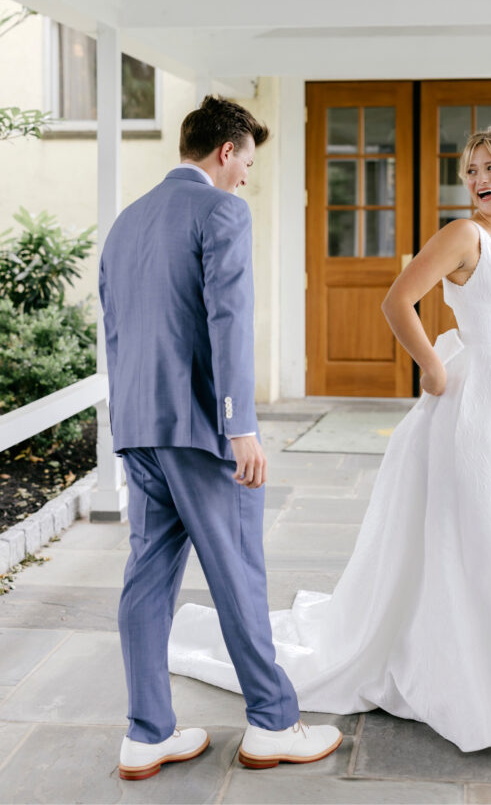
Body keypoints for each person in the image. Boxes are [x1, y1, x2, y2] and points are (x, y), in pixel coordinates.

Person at [168, 126, 491, 752]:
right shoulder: (464, 236)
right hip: (474, 401)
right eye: (469, 171)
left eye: (490, 167)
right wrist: (432, 367)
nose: (479, 180)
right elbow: (398, 301)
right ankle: (477, 681)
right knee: (482, 531)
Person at [98, 95, 342, 779]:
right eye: (247, 163)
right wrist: (240, 426)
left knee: (145, 581)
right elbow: (227, 322)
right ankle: (271, 723)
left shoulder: (124, 224)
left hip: (139, 429)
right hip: (201, 433)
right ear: (225, 151)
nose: (245, 179)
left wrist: (128, 426)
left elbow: (116, 336)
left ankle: (147, 733)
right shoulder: (222, 211)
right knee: (238, 573)